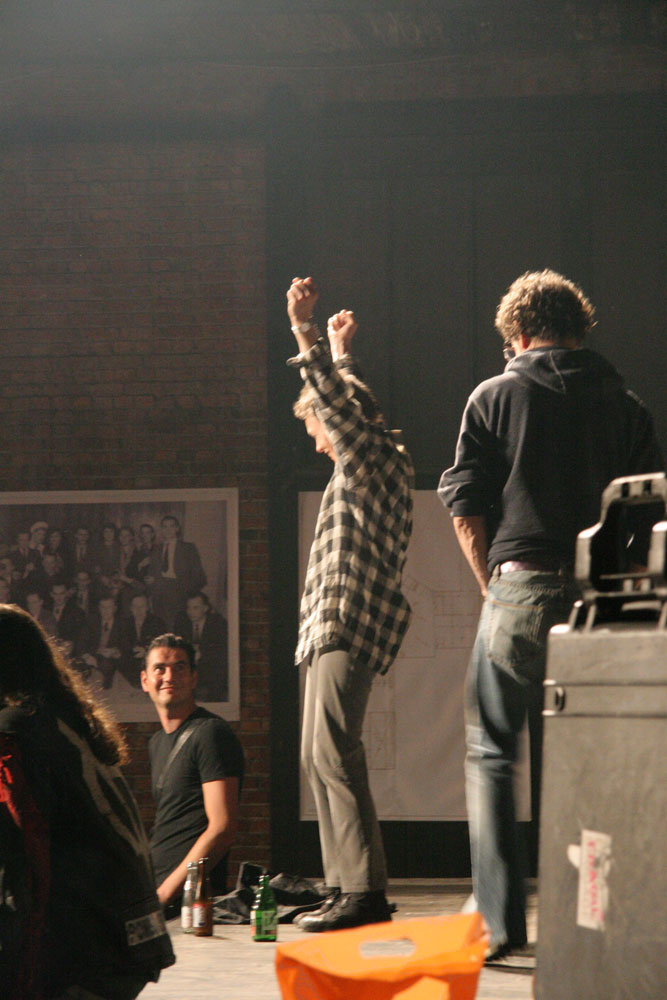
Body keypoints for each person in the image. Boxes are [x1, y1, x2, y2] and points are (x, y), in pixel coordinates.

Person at [438, 269, 664, 961]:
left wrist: (493, 588)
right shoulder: (626, 405)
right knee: (591, 765)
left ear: (517, 331)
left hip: (520, 588)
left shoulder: (493, 396)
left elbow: (464, 505)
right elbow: (648, 512)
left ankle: (499, 923)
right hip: (602, 606)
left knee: (492, 755)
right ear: (578, 327)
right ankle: (591, 922)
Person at [286, 277, 413, 931]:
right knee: (317, 755)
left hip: (349, 618)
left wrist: (305, 330)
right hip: (328, 623)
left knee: (335, 751)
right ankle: (343, 885)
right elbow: (346, 400)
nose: (316, 442)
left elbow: (342, 409)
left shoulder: (371, 459)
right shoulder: (362, 460)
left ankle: (363, 891)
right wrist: (341, 352)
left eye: (314, 428)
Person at [0, 603, 174, 998]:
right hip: (130, 939)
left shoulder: (16, 731)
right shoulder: (67, 721)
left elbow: (23, 859)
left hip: (88, 950)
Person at [141, 633, 244, 916]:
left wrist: (165, 893)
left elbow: (222, 828)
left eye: (180, 667)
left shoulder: (210, 733)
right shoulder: (157, 742)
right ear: (145, 681)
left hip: (186, 902)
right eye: (160, 668)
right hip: (157, 891)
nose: (169, 676)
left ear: (194, 677)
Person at [148, 516, 207, 630]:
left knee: (177, 627)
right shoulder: (156, 549)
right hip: (159, 594)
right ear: (161, 529)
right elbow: (151, 572)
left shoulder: (188, 548)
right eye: (165, 527)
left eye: (171, 526)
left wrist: (187, 593)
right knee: (160, 627)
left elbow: (199, 576)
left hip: (179, 593)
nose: (168, 530)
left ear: (177, 528)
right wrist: (151, 584)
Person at [174, 591, 229, 702]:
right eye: (188, 608)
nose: (191, 612)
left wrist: (202, 653)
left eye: (195, 608)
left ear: (205, 608)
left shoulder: (218, 622)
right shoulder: (182, 620)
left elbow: (221, 649)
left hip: (210, 664)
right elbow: (177, 643)